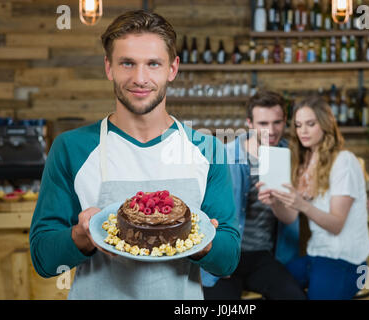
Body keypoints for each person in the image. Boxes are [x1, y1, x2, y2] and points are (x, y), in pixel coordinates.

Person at [29, 10, 240, 300]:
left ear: (172, 69)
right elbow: (43, 260)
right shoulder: (70, 148)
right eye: (127, 63)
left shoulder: (209, 150)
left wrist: (204, 242)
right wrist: (81, 235)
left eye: (153, 64)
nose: (140, 78)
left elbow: (228, 261)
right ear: (108, 68)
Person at [258, 96, 369, 300]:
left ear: (326, 125)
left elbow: (336, 224)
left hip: (345, 261)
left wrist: (302, 205)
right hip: (316, 255)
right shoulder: (303, 162)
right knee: (274, 287)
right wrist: (274, 203)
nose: (303, 131)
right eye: (299, 125)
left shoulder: (344, 161)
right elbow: (290, 217)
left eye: (311, 124)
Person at [202, 90, 306, 300]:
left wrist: (277, 202)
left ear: (285, 121)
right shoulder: (226, 155)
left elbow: (292, 216)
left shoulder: (292, 155)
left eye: (277, 122)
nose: (272, 130)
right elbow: (206, 210)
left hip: (264, 257)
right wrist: (219, 257)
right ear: (249, 123)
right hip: (228, 254)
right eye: (263, 123)